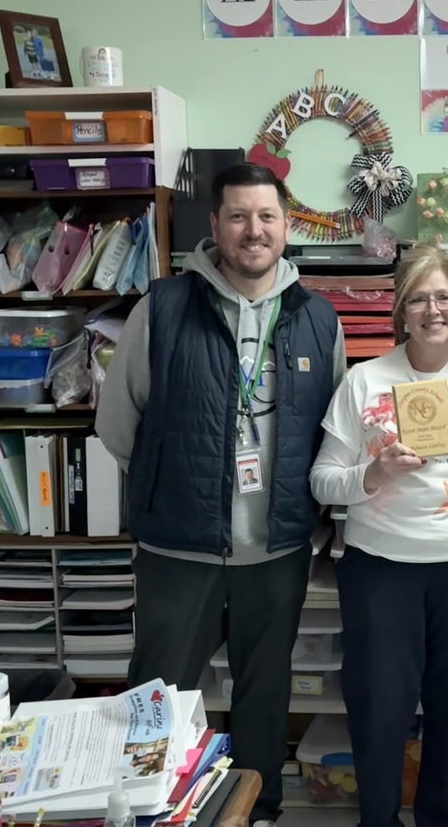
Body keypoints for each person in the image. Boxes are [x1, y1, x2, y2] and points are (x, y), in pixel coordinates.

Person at [96, 162, 345, 826]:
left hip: (278, 549)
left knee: (264, 695)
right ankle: (149, 809)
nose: (253, 230)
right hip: (179, 548)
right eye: (238, 216)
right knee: (159, 693)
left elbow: (332, 431)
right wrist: (178, 490)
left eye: (266, 217)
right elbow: (119, 427)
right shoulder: (163, 307)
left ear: (286, 227)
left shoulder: (319, 320)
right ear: (215, 226)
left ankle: (255, 811)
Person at [310, 242, 448, 827]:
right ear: (400, 310)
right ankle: (378, 820)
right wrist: (374, 473)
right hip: (381, 569)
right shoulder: (364, 381)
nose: (432, 310)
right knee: (378, 713)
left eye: (444, 297)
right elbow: (322, 481)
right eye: (418, 298)